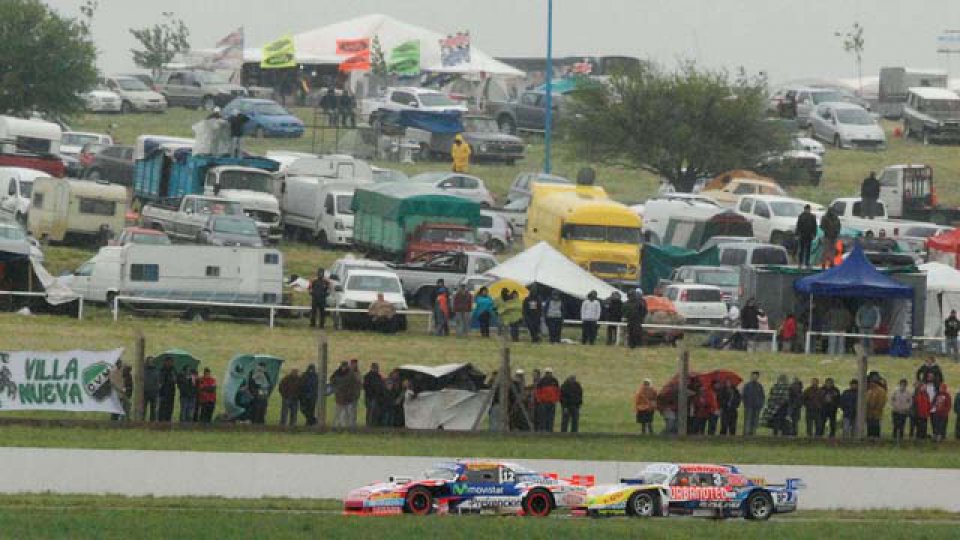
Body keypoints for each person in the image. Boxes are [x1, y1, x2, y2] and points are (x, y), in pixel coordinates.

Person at [331, 360, 362, 428]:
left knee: (348, 413)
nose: (343, 367)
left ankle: (348, 426)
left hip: (348, 397)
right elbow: (332, 382)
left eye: (344, 366)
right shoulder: (337, 373)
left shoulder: (351, 374)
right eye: (343, 366)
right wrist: (336, 389)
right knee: (338, 412)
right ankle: (337, 426)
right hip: (340, 396)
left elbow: (355, 384)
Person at [742, 371, 765, 436]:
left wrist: (761, 404)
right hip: (749, 406)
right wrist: (745, 404)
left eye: (756, 376)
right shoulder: (747, 386)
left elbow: (762, 396)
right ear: (751, 376)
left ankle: (753, 433)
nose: (754, 377)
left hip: (757, 407)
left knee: (755, 421)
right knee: (748, 420)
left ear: (758, 377)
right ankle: (746, 434)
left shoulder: (759, 386)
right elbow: (743, 396)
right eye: (753, 376)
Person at [363, 363, 386, 428]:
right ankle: (369, 425)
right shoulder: (368, 376)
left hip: (375, 397)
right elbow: (366, 387)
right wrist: (373, 394)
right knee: (371, 411)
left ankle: (372, 425)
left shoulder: (378, 376)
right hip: (371, 397)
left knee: (374, 412)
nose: (377, 369)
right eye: (376, 368)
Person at [157, 357, 177, 423]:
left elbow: (175, 380)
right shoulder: (162, 370)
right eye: (169, 362)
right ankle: (161, 420)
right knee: (162, 407)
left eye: (171, 362)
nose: (170, 363)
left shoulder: (173, 370)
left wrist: (174, 378)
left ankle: (168, 420)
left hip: (171, 392)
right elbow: (161, 380)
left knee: (170, 407)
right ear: (165, 362)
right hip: (163, 392)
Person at [143, 357, 159, 422]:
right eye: (149, 361)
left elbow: (158, 380)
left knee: (153, 409)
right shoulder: (143, 370)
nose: (151, 363)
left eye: (152, 361)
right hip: (145, 392)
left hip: (154, 392)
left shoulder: (156, 370)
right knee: (143, 408)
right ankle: (141, 421)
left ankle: (152, 422)